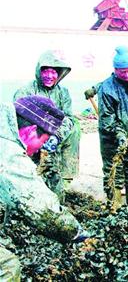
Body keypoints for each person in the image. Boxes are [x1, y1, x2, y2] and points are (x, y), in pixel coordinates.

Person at [0, 96, 89, 245]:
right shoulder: (9, 151)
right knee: (10, 264)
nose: (40, 149)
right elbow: (34, 198)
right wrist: (74, 231)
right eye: (44, 141)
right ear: (31, 131)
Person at [13, 50, 81, 192]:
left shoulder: (63, 93)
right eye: (45, 71)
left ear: (59, 74)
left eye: (53, 72)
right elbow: (17, 121)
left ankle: (61, 193)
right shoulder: (25, 91)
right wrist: (38, 139)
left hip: (55, 141)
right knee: (33, 182)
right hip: (32, 141)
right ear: (39, 71)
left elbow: (68, 118)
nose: (49, 76)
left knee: (75, 130)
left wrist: (56, 137)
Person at [97, 46, 128, 210]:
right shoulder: (107, 88)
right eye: (122, 72)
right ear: (115, 70)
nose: (126, 75)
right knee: (114, 172)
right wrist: (120, 135)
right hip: (112, 140)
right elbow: (107, 119)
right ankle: (115, 209)